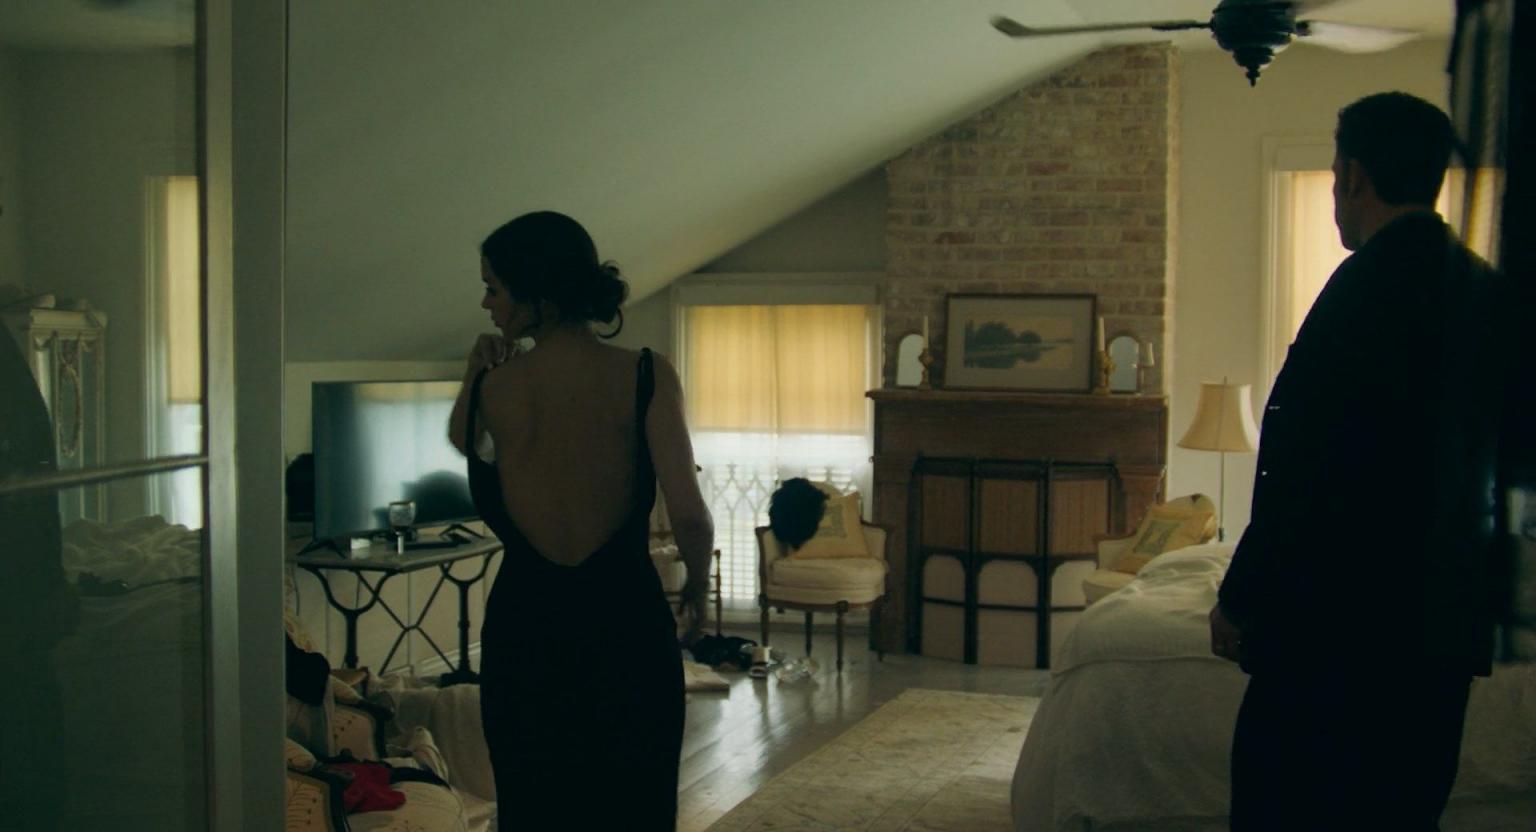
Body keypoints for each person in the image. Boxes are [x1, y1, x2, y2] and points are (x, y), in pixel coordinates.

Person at [1210, 92, 1515, 830]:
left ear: (1352, 176)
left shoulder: (1359, 294)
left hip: (1333, 626)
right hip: (1439, 626)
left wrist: (1240, 597)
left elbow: (1300, 472)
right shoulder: (1484, 291)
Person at [449, 211, 714, 830]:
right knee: (635, 807)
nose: (486, 304)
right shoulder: (645, 373)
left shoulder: (496, 388)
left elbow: (465, 442)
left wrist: (475, 373)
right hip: (626, 627)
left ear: (535, 292)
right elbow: (690, 515)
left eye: (494, 287)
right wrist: (699, 589)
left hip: (525, 633)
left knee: (535, 809)